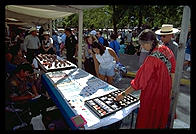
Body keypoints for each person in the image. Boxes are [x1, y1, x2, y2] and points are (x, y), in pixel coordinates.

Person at [116, 29, 176, 128]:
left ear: (151, 42)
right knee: (158, 120)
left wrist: (123, 94)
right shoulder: (166, 49)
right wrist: (170, 89)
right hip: (164, 92)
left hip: (152, 94)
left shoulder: (151, 59)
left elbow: (138, 83)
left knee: (148, 120)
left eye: (143, 44)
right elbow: (173, 71)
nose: (142, 47)